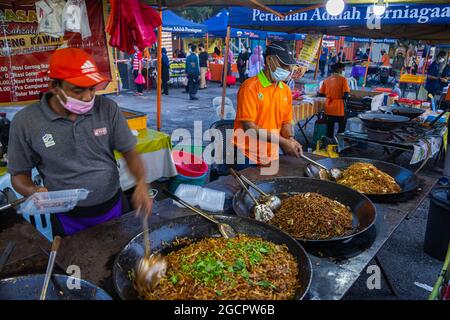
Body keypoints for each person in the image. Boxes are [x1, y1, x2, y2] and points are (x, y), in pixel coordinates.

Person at [7, 48, 153, 237]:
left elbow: (129, 151)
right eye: (77, 90)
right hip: (66, 217)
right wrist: (33, 190)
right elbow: (18, 175)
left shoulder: (108, 109)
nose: (87, 97)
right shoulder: (26, 121)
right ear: (54, 86)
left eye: (92, 88)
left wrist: (141, 182)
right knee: (77, 264)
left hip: (113, 206)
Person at [233, 41, 302, 169]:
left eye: (289, 66)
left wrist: (290, 139)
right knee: (248, 187)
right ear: (269, 60)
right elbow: (250, 127)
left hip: (271, 153)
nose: (288, 70)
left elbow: (286, 122)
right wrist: (283, 142)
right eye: (284, 65)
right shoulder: (250, 87)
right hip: (248, 154)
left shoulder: (285, 90)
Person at [319, 62, 350, 139]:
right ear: (339, 69)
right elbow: (345, 95)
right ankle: (338, 141)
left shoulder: (326, 80)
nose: (344, 70)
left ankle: (329, 142)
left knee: (330, 126)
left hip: (328, 107)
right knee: (342, 125)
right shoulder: (343, 79)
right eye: (343, 69)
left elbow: (321, 94)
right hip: (339, 108)